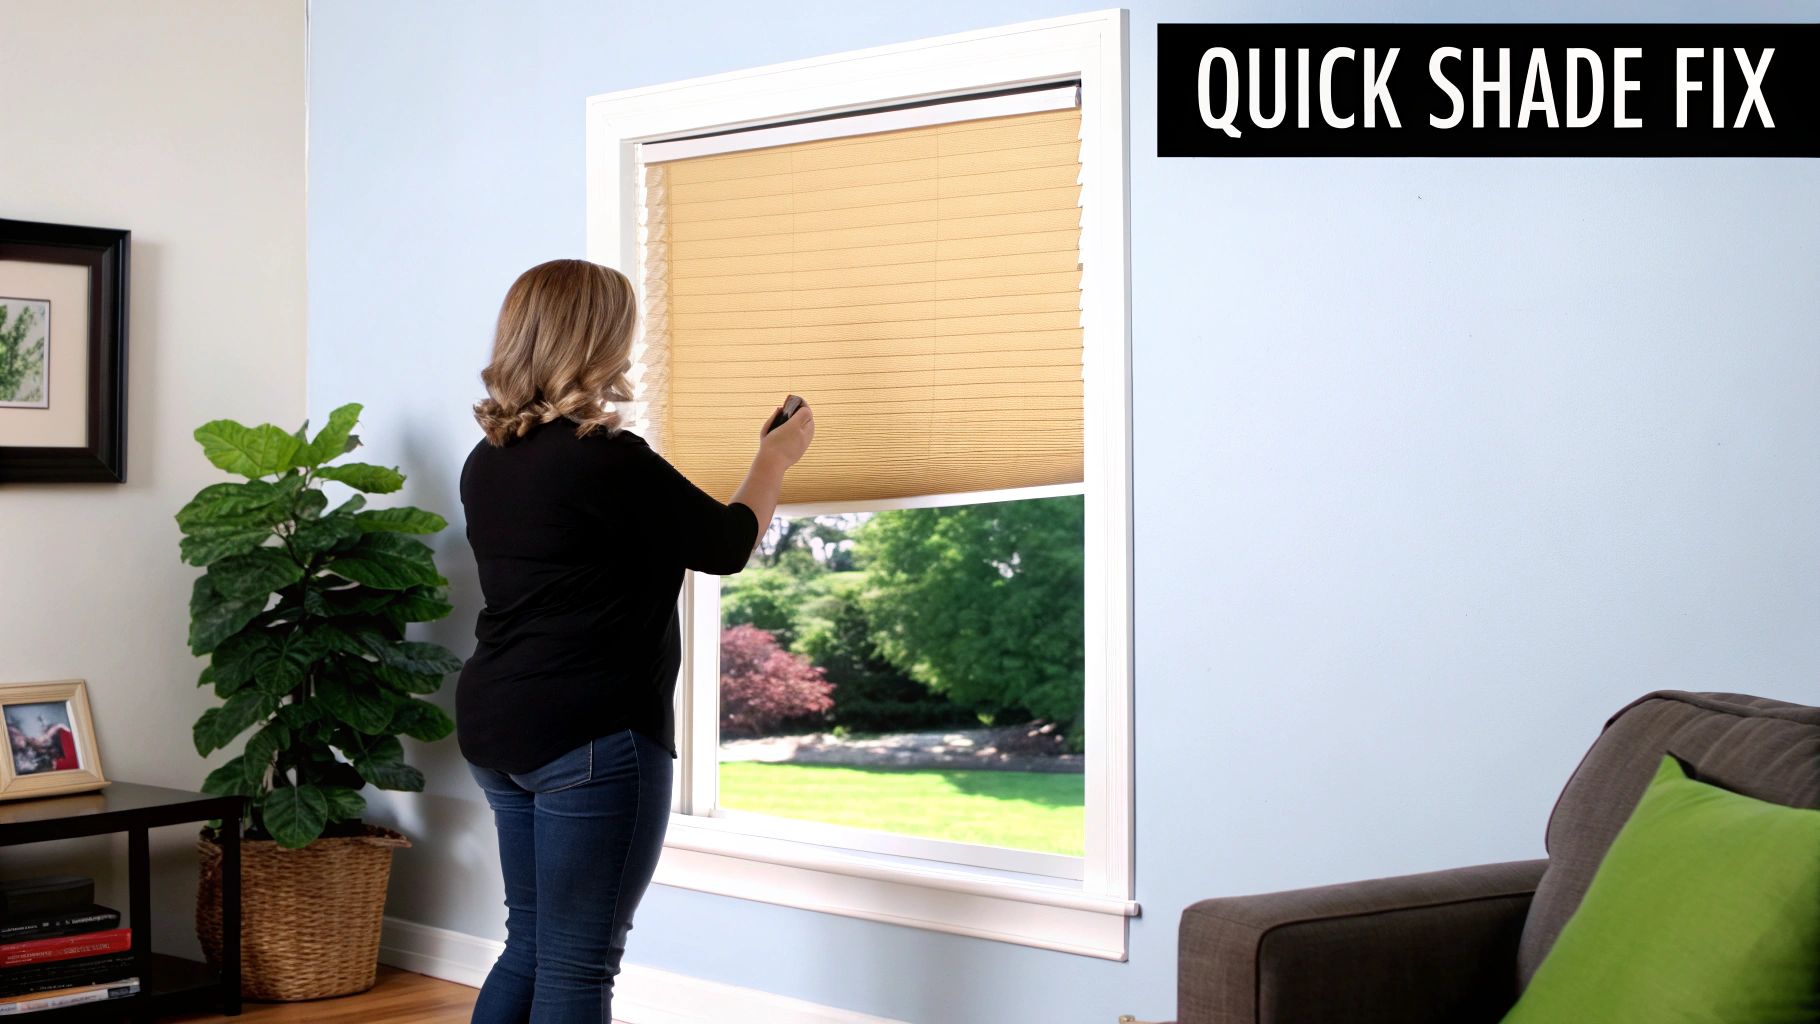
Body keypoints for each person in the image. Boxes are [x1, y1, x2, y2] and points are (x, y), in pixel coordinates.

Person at [456, 259, 812, 1023]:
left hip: (497, 725)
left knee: (531, 946)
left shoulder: (487, 462)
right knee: (580, 968)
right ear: (598, 338)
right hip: (590, 737)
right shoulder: (604, 459)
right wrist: (773, 459)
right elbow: (724, 543)